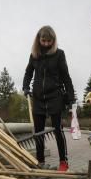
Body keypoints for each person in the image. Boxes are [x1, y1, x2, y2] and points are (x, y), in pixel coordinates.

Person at [22, 25, 75, 171]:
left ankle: (63, 161)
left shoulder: (59, 54)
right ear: (38, 40)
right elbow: (28, 73)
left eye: (49, 41)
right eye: (43, 40)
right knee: (38, 132)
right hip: (38, 98)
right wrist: (25, 87)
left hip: (55, 96)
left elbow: (66, 76)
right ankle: (40, 161)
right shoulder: (34, 55)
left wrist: (71, 98)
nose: (46, 44)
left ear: (53, 40)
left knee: (58, 130)